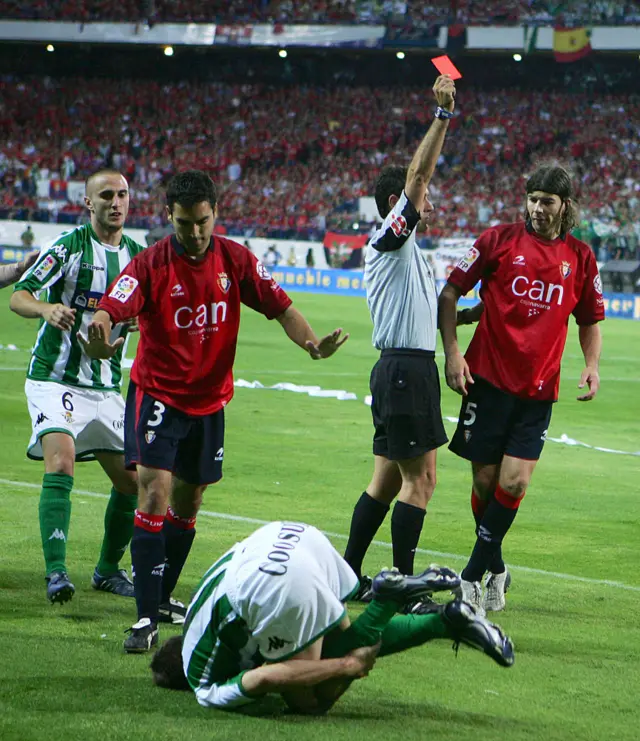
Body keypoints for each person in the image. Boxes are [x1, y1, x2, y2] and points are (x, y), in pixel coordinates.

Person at [80, 170, 350, 653]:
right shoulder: (149, 265)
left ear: (215, 213)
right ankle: (144, 620)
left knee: (190, 502)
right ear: (170, 217)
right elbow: (110, 308)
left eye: (202, 222)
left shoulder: (235, 259)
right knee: (154, 493)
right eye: (185, 223)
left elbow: (281, 307)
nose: (195, 233)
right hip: (159, 396)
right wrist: (100, 332)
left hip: (209, 402)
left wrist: (311, 343)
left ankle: (161, 597)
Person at [438, 165, 604, 614]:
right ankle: (496, 566)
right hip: (487, 382)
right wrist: (453, 354)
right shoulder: (498, 240)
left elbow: (588, 319)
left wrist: (591, 365)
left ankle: (471, 576)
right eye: (532, 198)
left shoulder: (581, 258)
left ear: (564, 206)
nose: (537, 208)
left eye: (547, 201)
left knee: (513, 482)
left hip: (537, 391)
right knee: (485, 481)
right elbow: (450, 293)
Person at [150, 521, 515, 713]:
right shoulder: (199, 618)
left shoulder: (204, 684)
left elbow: (265, 677)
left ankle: (388, 601)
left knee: (308, 700)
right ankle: (445, 619)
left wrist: (345, 668)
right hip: (290, 539)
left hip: (274, 583)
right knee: (337, 642)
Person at [342, 75, 456, 602]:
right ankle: (405, 588)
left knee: (386, 482)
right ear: (397, 203)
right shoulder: (389, 238)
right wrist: (442, 116)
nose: (429, 201)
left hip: (401, 367)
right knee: (422, 481)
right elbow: (417, 174)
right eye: (423, 197)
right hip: (408, 371)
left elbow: (424, 316)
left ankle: (347, 575)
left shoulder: (406, 255)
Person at [9, 169, 144, 605]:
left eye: (122, 194)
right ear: (89, 203)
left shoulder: (139, 259)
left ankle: (107, 571)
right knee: (62, 463)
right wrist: (46, 308)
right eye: (106, 195)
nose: (116, 202)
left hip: (105, 387)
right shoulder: (68, 248)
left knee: (133, 483)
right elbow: (19, 295)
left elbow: (152, 313)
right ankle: (56, 573)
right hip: (54, 377)